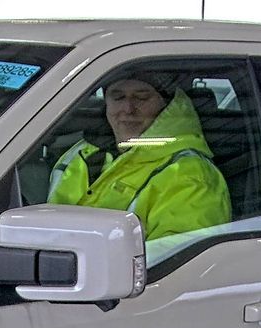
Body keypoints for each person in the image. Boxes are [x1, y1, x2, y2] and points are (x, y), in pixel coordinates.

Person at [47, 71, 231, 243]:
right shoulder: (79, 153)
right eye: (118, 97)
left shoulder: (190, 174)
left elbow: (175, 262)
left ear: (165, 104)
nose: (128, 108)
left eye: (142, 97)